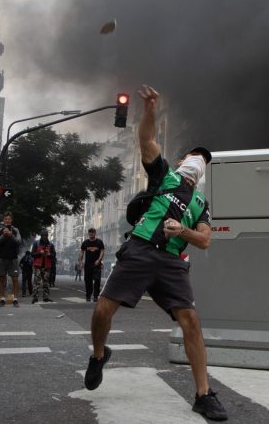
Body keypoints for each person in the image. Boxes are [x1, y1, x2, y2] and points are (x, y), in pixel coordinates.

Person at [84, 84, 227, 421]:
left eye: (204, 159)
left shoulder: (201, 204)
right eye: (194, 155)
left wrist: (184, 231)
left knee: (190, 320)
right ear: (181, 160)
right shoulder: (164, 176)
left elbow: (205, 240)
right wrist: (149, 111)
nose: (198, 160)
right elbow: (146, 141)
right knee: (103, 310)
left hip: (171, 263)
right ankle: (99, 355)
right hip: (140, 250)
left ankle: (204, 394)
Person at [0, 212, 23, 307]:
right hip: (1, 258)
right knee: (1, 279)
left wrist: (11, 235)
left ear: (11, 220)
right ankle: (2, 299)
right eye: (6, 219)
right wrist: (3, 235)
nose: (7, 220)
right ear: (3, 220)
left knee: (15, 279)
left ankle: (15, 299)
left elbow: (19, 242)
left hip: (13, 258)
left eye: (9, 219)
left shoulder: (16, 230)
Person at [78, 228, 104, 302]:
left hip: (96, 264)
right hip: (88, 264)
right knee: (88, 281)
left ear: (95, 233)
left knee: (97, 280)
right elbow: (82, 252)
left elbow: (102, 251)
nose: (91, 234)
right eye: (90, 233)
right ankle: (88, 295)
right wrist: (80, 261)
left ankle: (96, 296)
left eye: (92, 232)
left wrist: (99, 260)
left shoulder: (99, 242)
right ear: (88, 234)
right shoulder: (85, 243)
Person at [30, 231, 56, 304]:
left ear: (47, 236)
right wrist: (39, 253)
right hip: (38, 266)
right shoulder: (36, 243)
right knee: (36, 283)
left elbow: (54, 255)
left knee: (46, 283)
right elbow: (32, 254)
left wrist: (49, 254)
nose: (44, 237)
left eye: (46, 235)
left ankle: (46, 297)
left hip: (47, 266)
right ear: (41, 236)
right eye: (43, 235)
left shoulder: (51, 245)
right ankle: (35, 297)